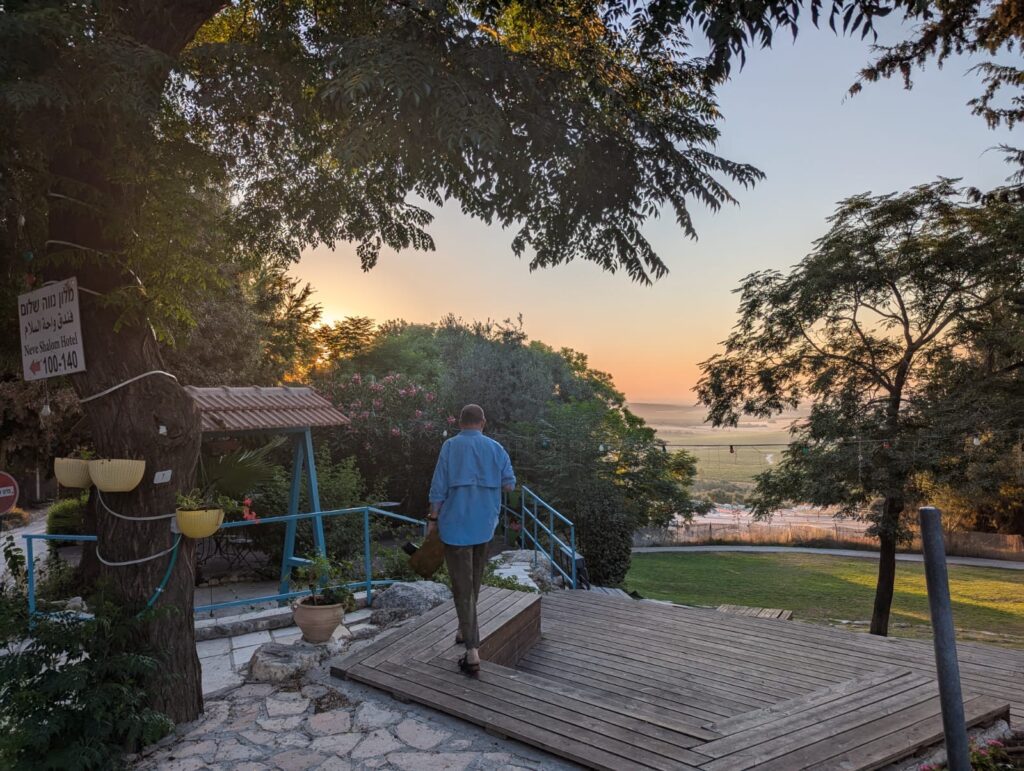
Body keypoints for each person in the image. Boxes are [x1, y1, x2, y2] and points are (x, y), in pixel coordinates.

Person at [427, 403, 516, 676]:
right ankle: (464, 630)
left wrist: (432, 520)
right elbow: (509, 484)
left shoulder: (451, 447)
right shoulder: (496, 448)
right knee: (473, 580)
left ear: (460, 422)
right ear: (483, 422)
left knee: (462, 585)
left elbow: (438, 487)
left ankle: (472, 649)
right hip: (484, 525)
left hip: (455, 526)